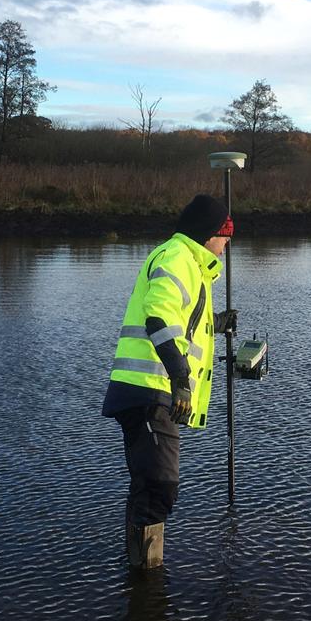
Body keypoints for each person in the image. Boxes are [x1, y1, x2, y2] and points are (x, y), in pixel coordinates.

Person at [103, 194, 238, 570]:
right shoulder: (178, 257)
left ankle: (139, 579)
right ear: (207, 234)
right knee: (160, 484)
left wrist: (216, 321)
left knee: (150, 483)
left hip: (149, 389)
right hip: (149, 387)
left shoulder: (190, 264)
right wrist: (180, 376)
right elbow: (159, 318)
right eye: (224, 237)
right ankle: (145, 575)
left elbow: (183, 321)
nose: (227, 245)